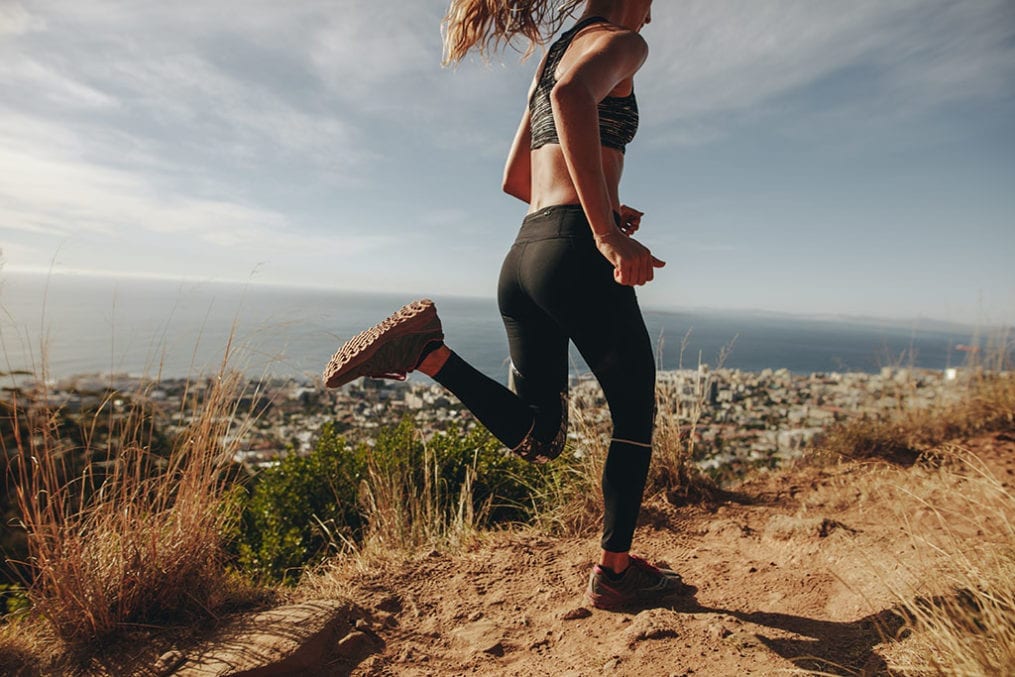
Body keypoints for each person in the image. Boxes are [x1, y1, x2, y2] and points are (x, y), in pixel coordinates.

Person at [323, 0, 694, 609]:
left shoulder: (551, 57)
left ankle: (428, 352)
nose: (652, 18)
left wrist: (600, 203)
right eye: (653, 5)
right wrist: (604, 230)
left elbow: (515, 179)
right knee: (634, 413)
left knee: (540, 438)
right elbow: (574, 97)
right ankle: (617, 572)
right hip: (575, 252)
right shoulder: (623, 44)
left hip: (525, 254)